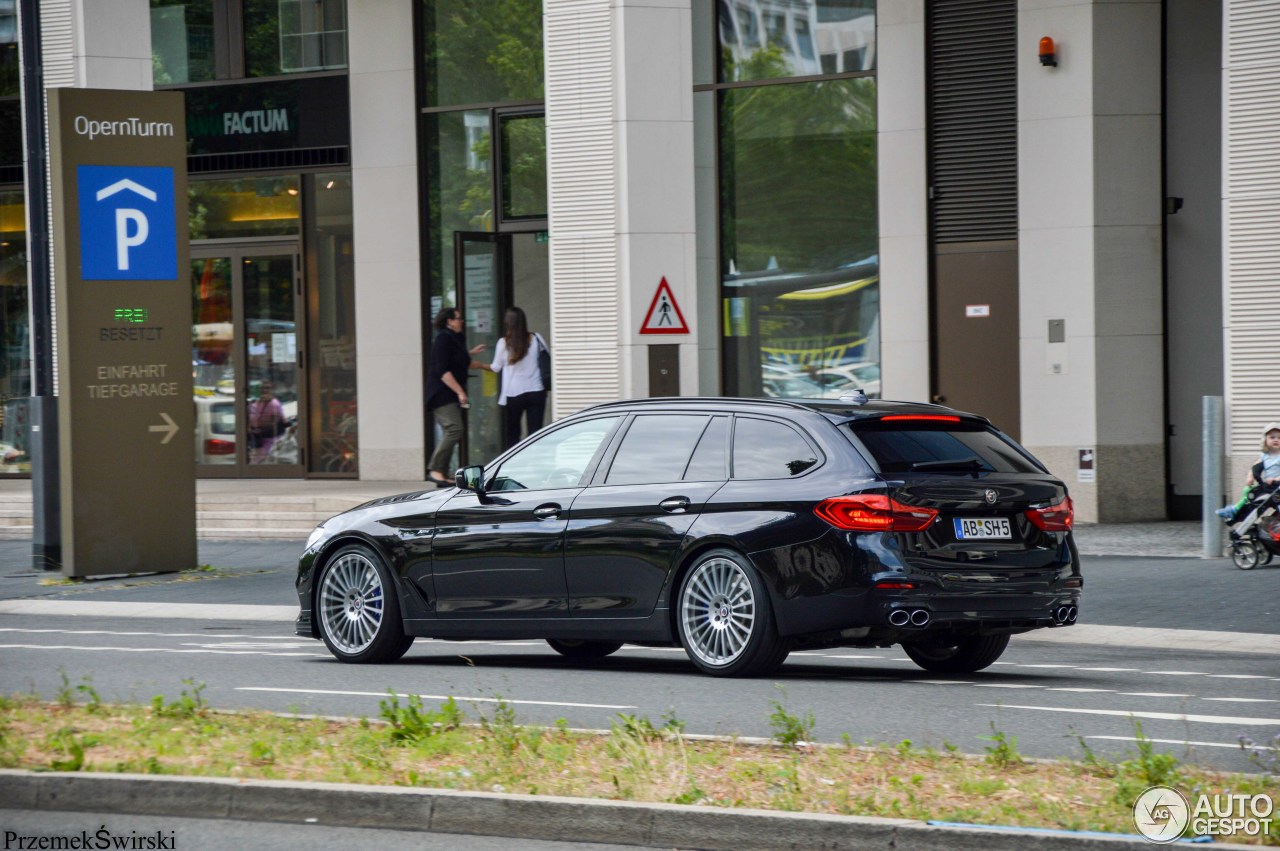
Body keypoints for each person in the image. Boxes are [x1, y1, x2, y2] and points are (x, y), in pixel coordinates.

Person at [425, 307, 486, 486]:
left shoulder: (455, 338)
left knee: (452, 430)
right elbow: (442, 370)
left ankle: (441, 473)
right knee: (454, 429)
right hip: (441, 393)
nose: (461, 321)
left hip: (449, 393)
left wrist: (480, 362)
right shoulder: (443, 338)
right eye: (458, 318)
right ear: (449, 321)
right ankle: (435, 470)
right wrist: (460, 392)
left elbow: (459, 360)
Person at [488, 306, 549, 450]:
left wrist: (477, 365)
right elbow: (547, 358)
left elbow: (496, 367)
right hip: (536, 391)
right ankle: (536, 463)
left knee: (513, 434)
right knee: (535, 434)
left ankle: (516, 465)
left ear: (508, 323)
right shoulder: (536, 338)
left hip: (513, 394)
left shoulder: (504, 343)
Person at [1216, 422, 1280, 520]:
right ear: (1265, 440)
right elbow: (1255, 466)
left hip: (1277, 486)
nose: (1276, 440)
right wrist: (1250, 476)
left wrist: (1276, 478)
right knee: (1248, 490)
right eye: (1272, 437)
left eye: (1279, 438)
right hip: (1269, 486)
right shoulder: (1265, 456)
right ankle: (1234, 510)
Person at [247, 381, 286, 464]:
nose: (264, 390)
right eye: (262, 388)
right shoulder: (255, 404)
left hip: (270, 441)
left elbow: (279, 421)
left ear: (272, 390)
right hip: (257, 440)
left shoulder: (274, 404)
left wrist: (261, 429)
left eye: (267, 388)